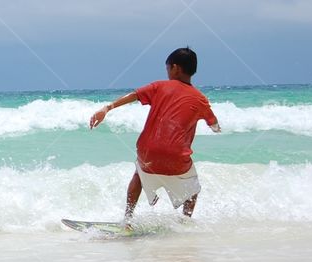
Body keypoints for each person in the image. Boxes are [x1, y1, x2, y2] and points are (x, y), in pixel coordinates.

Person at [89, 47, 221, 222]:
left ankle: (127, 220)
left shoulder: (159, 86)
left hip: (148, 153)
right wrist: (213, 126)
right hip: (177, 158)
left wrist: (107, 108)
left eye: (167, 69)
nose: (167, 73)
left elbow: (134, 96)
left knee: (138, 176)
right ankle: (186, 222)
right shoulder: (200, 99)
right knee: (193, 189)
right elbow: (214, 125)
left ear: (175, 68)